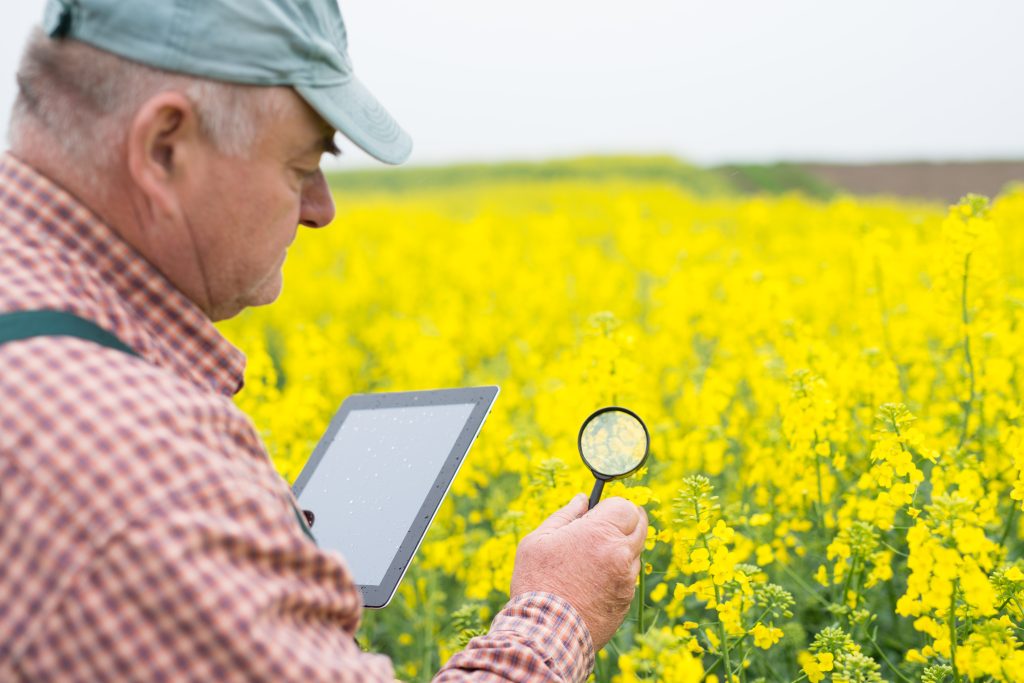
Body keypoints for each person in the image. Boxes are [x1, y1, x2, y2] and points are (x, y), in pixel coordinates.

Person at [0, 1, 648, 681]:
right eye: (299, 165)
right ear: (164, 147)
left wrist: (247, 573)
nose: (322, 208)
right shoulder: (142, 476)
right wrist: (559, 609)